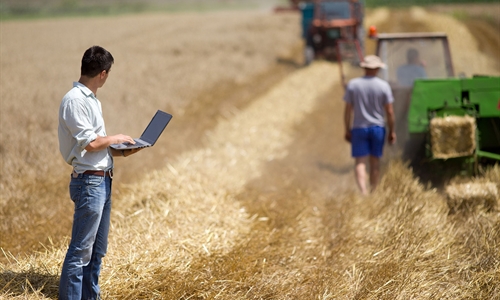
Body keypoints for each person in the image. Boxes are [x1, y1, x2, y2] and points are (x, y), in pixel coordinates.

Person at [58, 45, 141, 299]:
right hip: (89, 184)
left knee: (97, 250)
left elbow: (97, 147)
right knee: (80, 250)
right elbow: (90, 143)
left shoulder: (92, 100)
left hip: (103, 181)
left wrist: (122, 149)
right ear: (103, 74)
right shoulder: (74, 100)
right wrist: (115, 136)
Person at [343, 55, 396, 195]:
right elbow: (389, 111)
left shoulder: (353, 85)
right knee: (375, 162)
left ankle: (363, 192)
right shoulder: (384, 86)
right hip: (378, 128)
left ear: (364, 68)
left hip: (359, 128)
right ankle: (374, 191)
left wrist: (347, 129)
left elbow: (348, 111)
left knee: (360, 162)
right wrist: (392, 131)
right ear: (377, 69)